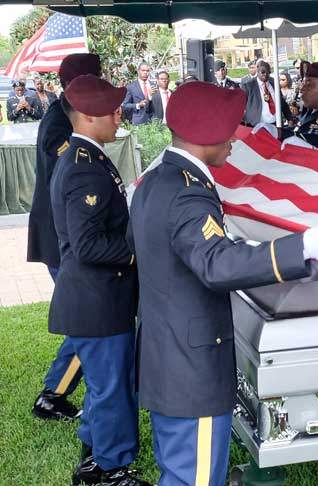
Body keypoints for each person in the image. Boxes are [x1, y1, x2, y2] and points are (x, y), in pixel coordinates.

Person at [128, 80, 318, 486]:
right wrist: (301, 247)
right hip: (190, 367)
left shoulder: (160, 179)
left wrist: (234, 244)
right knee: (192, 479)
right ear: (207, 133)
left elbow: (173, 248)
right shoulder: (186, 194)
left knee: (178, 468)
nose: (235, 137)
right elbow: (215, 265)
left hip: (169, 355)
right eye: (230, 128)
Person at [50, 74, 148, 485]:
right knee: (111, 391)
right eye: (112, 110)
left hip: (97, 299)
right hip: (98, 301)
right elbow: (89, 246)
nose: (118, 115)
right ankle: (110, 469)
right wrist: (142, 252)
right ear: (88, 116)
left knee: (103, 387)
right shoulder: (84, 168)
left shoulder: (87, 155)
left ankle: (94, 457)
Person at [28, 53, 102, 423]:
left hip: (66, 236)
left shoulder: (62, 116)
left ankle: (54, 392)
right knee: (87, 321)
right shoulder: (58, 122)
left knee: (85, 320)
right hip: (63, 238)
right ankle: (53, 394)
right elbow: (69, 164)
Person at [241, 60, 291, 126]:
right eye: (263, 72)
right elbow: (241, 106)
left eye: (268, 72)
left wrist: (290, 118)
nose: (266, 74)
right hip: (256, 125)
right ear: (257, 71)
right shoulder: (248, 86)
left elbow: (282, 102)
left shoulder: (274, 82)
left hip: (276, 123)